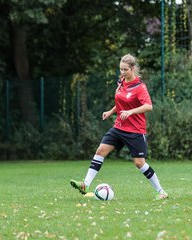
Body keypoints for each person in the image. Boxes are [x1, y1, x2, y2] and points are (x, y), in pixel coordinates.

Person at [70, 54, 168, 200]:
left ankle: (161, 191)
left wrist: (130, 112)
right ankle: (85, 184)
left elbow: (148, 106)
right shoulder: (121, 82)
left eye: (125, 69)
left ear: (133, 68)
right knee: (101, 150)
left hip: (135, 130)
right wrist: (110, 112)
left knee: (139, 163)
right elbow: (121, 102)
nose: (122, 72)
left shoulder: (140, 86)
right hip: (119, 127)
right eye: (120, 69)